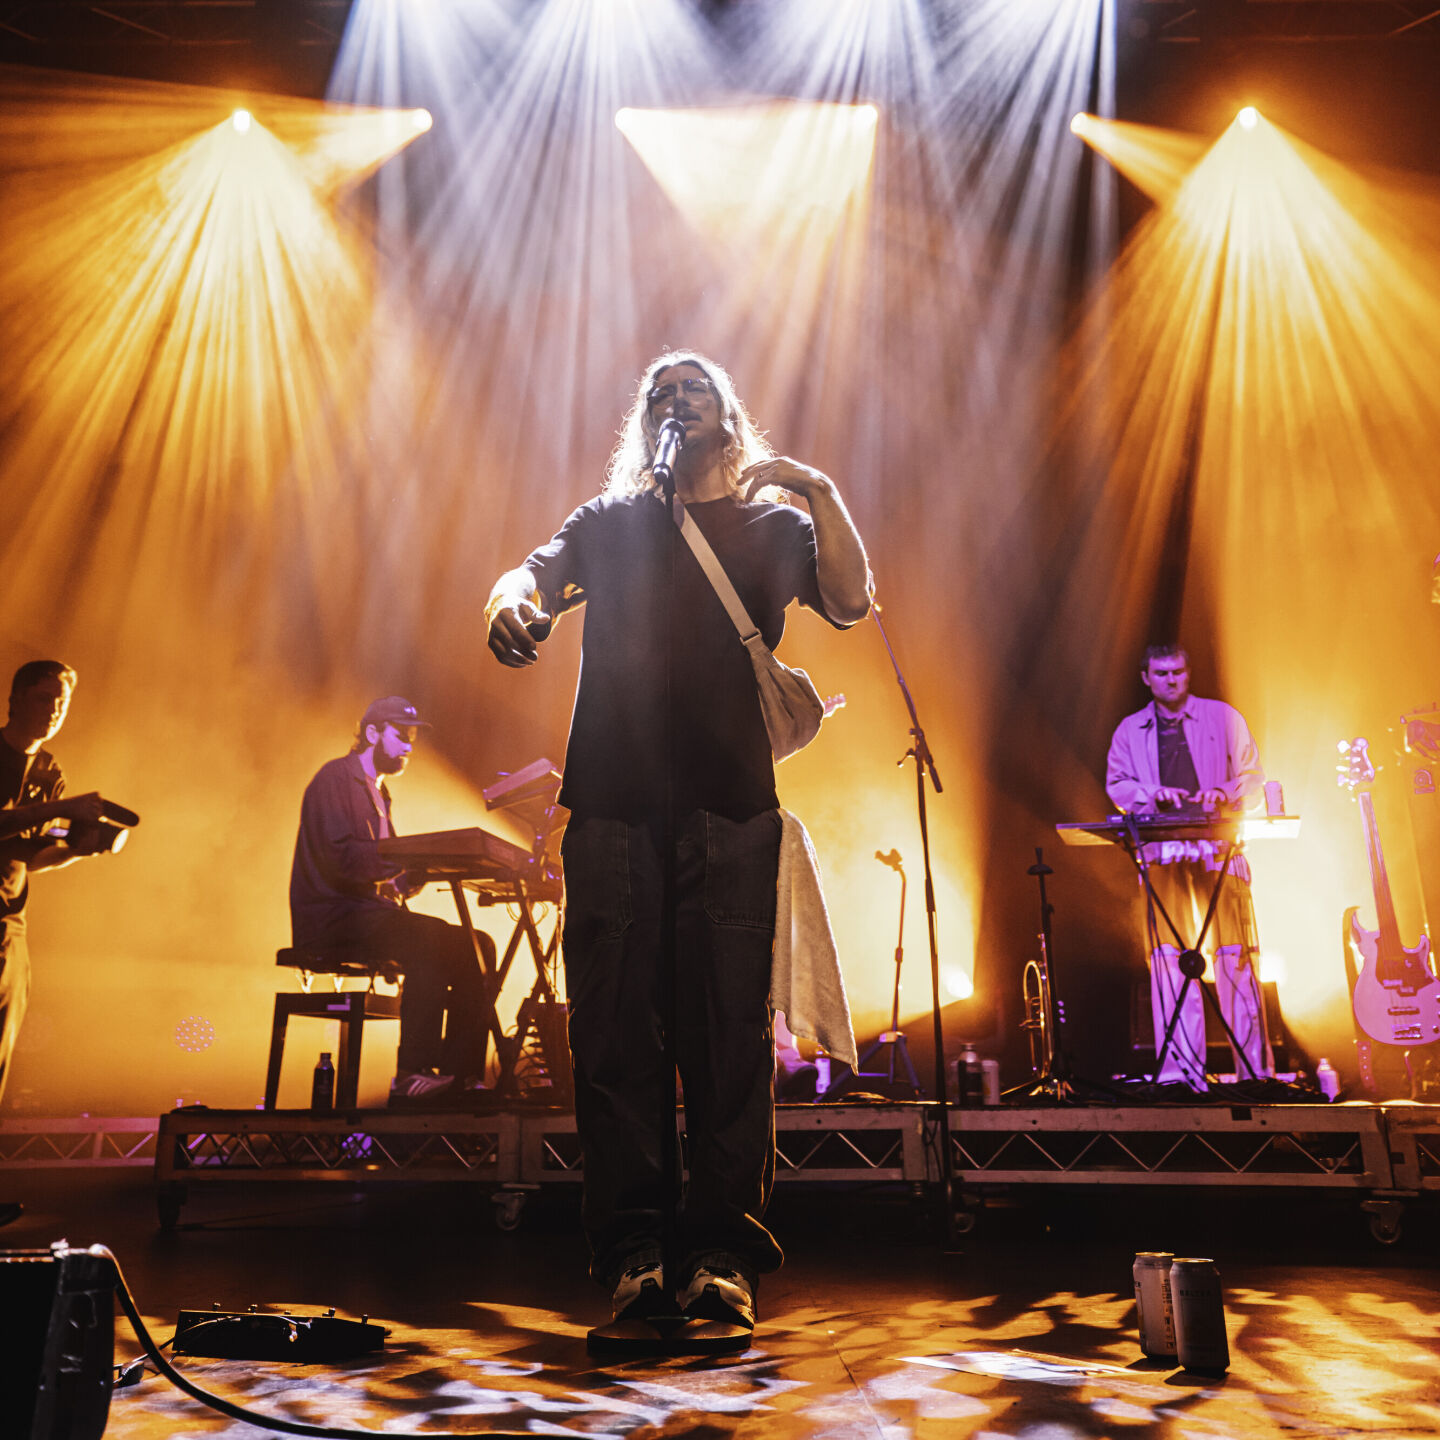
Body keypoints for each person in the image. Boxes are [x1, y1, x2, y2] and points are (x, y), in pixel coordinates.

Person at [486, 350, 870, 1337]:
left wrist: (820, 491)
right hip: (613, 808)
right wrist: (508, 600)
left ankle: (722, 1256)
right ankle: (635, 1254)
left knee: (728, 1038)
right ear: (644, 421)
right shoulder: (612, 521)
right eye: (662, 391)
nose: (677, 399)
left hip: (731, 808)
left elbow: (850, 600)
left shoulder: (769, 525)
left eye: (695, 388)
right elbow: (537, 569)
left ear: (729, 417)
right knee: (615, 1036)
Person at [288, 696, 492, 1103]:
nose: (408, 747)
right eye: (401, 736)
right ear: (372, 733)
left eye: (412, 738)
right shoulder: (334, 780)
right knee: (427, 939)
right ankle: (411, 1074)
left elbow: (384, 878)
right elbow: (341, 860)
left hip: (367, 913)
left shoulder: (381, 795)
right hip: (332, 916)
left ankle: (461, 1075)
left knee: (478, 944)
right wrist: (405, 860)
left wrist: (410, 876)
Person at [1106, 645, 1272, 1089]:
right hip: (1163, 852)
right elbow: (1118, 785)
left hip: (1218, 848)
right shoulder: (1130, 730)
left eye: (1178, 671)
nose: (1171, 680)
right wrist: (1151, 795)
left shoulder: (1223, 717)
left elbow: (1253, 778)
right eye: (1161, 673)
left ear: (1189, 672)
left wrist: (1225, 793)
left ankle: (1253, 1074)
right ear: (1146, 678)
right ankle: (1182, 1076)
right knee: (1170, 961)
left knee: (1236, 957)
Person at [1, 660, 115, 1225]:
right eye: (45, 698)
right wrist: (61, 809)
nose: (54, 710)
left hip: (9, 925)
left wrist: (80, 849)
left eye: (62, 702)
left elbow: (30, 854)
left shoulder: (49, 770)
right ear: (15, 699)